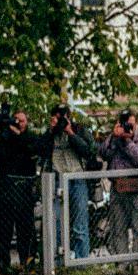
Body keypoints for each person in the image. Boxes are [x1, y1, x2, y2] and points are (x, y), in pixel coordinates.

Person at [37, 104, 98, 263]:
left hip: (77, 178)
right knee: (55, 222)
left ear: (69, 117)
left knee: (80, 222)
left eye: (63, 117)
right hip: (56, 178)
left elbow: (89, 151)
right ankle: (55, 262)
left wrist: (71, 133)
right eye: (57, 117)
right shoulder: (50, 134)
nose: (60, 121)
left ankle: (81, 261)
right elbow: (39, 149)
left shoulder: (79, 129)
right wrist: (51, 131)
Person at [0, 107, 40, 271]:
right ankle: (4, 264)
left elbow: (32, 150)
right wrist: (2, 133)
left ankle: (27, 261)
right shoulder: (5, 137)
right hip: (7, 190)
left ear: (27, 122)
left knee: (25, 230)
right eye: (16, 120)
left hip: (25, 190)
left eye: (22, 120)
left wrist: (18, 135)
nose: (18, 123)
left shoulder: (30, 137)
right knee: (4, 230)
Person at [100, 110, 138, 255]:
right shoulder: (114, 137)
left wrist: (127, 140)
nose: (127, 126)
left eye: (130, 123)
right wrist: (113, 137)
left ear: (136, 123)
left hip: (136, 186)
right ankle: (121, 261)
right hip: (117, 187)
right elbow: (103, 154)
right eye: (124, 123)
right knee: (118, 226)